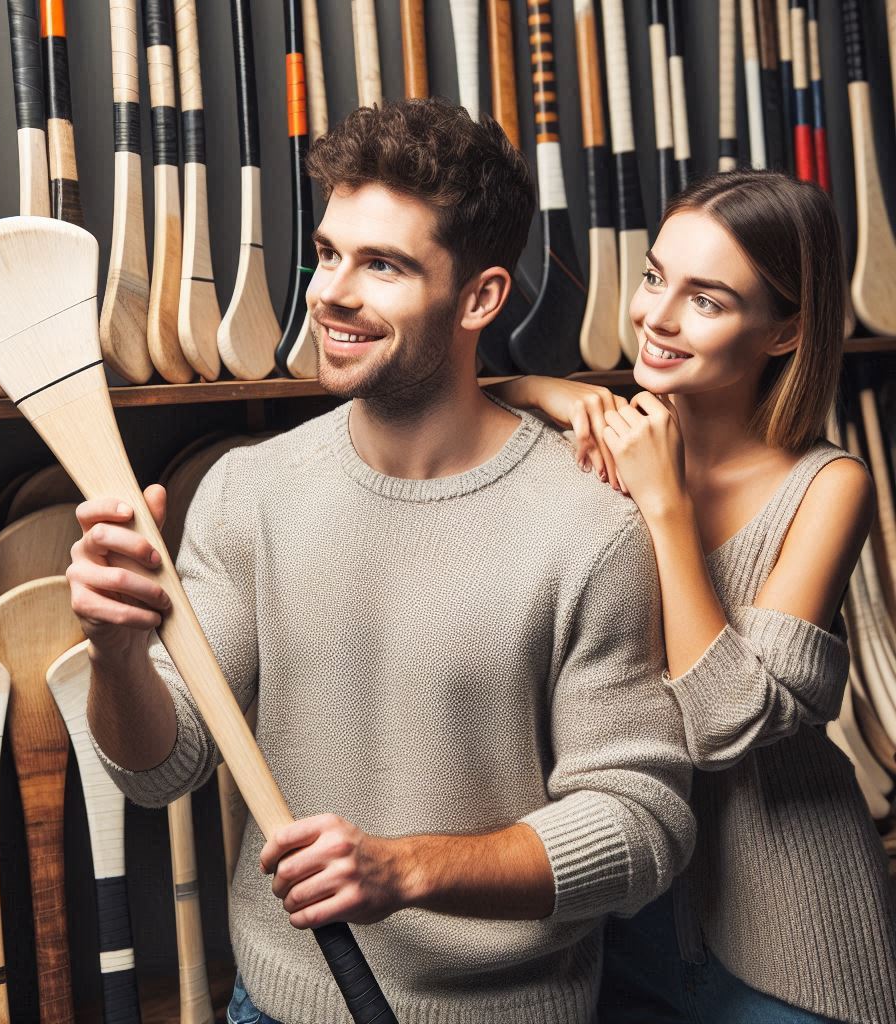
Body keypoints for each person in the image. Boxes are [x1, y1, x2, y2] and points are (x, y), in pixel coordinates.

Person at [69, 98, 695, 1024]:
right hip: (277, 1005)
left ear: (480, 297)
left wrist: (404, 869)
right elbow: (162, 768)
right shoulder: (252, 491)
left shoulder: (587, 529)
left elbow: (641, 827)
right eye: (327, 253)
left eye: (383, 265)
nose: (329, 292)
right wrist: (117, 655)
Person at [494, 170, 896, 1024]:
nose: (657, 316)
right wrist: (554, 390)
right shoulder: (604, 442)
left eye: (706, 300)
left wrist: (665, 505)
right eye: (653, 277)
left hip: (793, 939)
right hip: (623, 930)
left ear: (785, 329)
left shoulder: (828, 487)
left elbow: (723, 725)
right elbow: (470, 404)